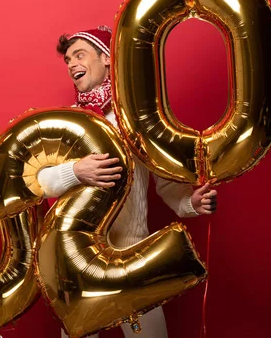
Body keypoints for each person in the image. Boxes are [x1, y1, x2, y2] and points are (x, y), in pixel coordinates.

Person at [36, 26, 218, 338]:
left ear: (106, 59)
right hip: (78, 258)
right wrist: (75, 172)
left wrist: (191, 203)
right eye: (67, 59)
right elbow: (39, 180)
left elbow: (166, 182)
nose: (71, 64)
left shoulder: (134, 119)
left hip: (133, 254)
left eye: (79, 55)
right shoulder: (68, 121)